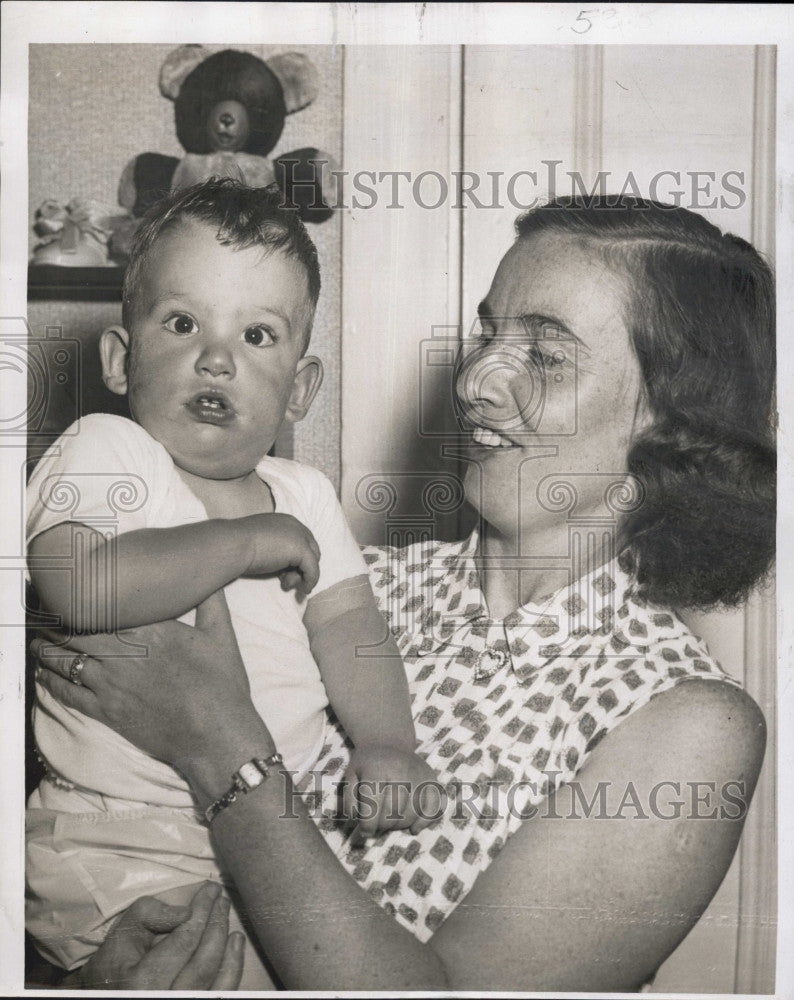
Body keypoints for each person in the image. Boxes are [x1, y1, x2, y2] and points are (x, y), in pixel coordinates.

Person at [32, 195, 775, 991]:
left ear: (673, 426)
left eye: (547, 357)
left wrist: (223, 745)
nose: (477, 381)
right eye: (489, 334)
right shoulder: (347, 580)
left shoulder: (685, 721)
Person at [25, 179, 435, 981]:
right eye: (182, 324)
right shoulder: (109, 449)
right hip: (114, 838)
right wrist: (241, 543)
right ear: (121, 357)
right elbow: (79, 588)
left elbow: (351, 627)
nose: (217, 357)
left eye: (258, 334)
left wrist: (390, 744)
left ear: (302, 390)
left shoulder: (305, 497)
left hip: (269, 838)